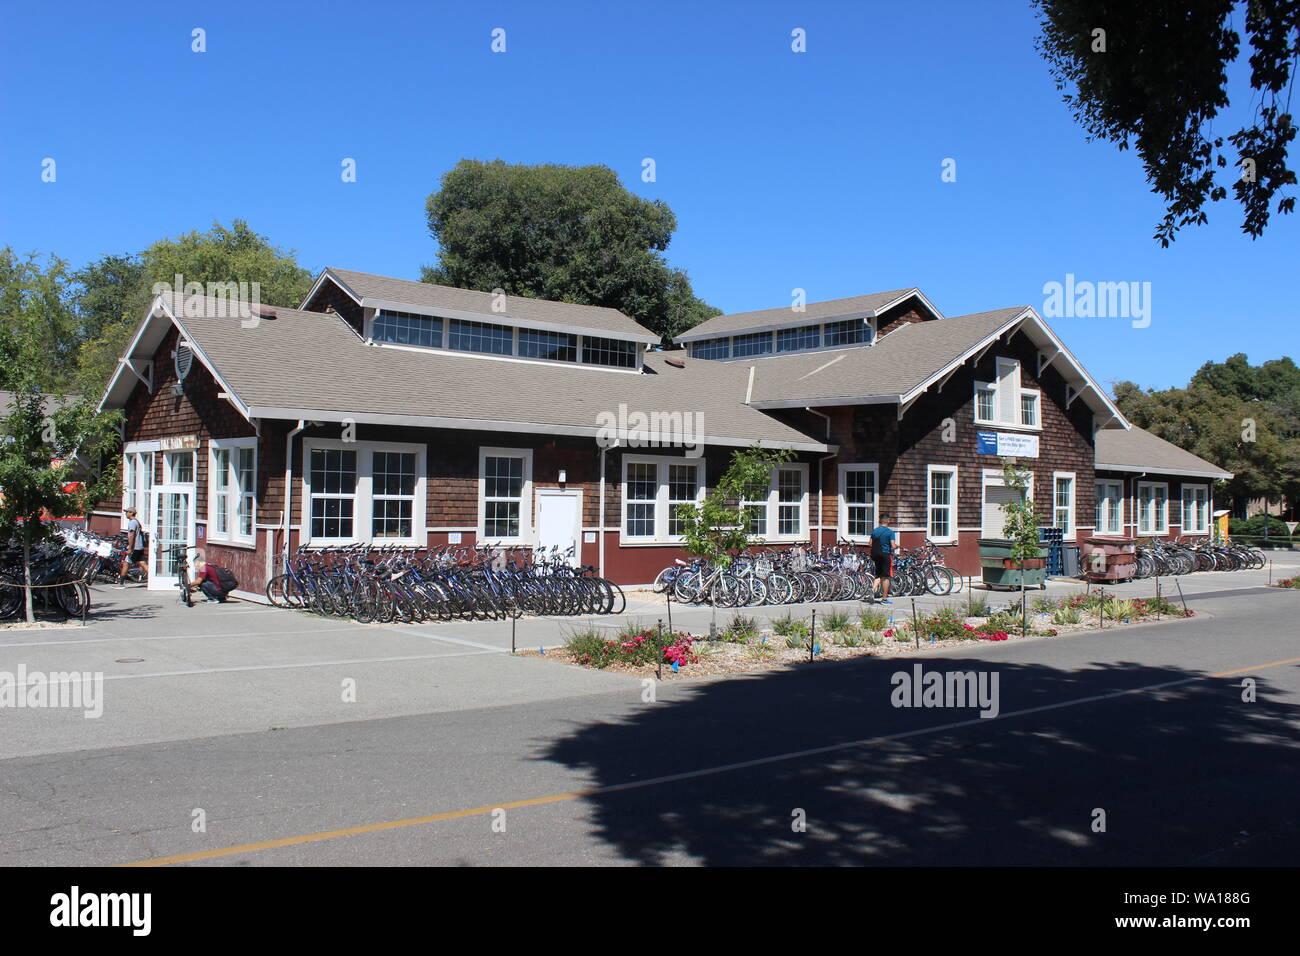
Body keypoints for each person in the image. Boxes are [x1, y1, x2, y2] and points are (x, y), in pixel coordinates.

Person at [117, 508, 149, 586]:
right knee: (142, 563)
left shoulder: (132, 523)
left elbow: (132, 535)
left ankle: (121, 583)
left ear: (131, 513)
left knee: (126, 563)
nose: (126, 514)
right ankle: (153, 578)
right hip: (139, 546)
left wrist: (130, 548)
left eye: (127, 512)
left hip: (135, 547)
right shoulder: (136, 522)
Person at [870, 515, 897, 604]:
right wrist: (895, 546)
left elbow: (870, 543)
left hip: (875, 555)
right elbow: (893, 546)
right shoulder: (890, 532)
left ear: (880, 521)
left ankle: (872, 589)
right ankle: (884, 599)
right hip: (885, 554)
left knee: (878, 575)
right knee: (885, 577)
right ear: (888, 521)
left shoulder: (875, 531)